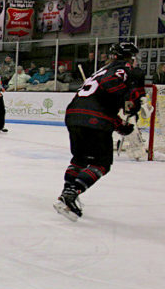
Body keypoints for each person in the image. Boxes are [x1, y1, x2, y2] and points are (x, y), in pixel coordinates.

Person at [54, 43, 146, 221]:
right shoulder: (123, 69)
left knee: (80, 159)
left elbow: (104, 101)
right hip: (94, 120)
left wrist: (120, 126)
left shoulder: (102, 70)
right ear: (129, 57)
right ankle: (72, 193)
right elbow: (110, 86)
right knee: (102, 162)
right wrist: (129, 95)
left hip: (74, 115)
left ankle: (67, 193)